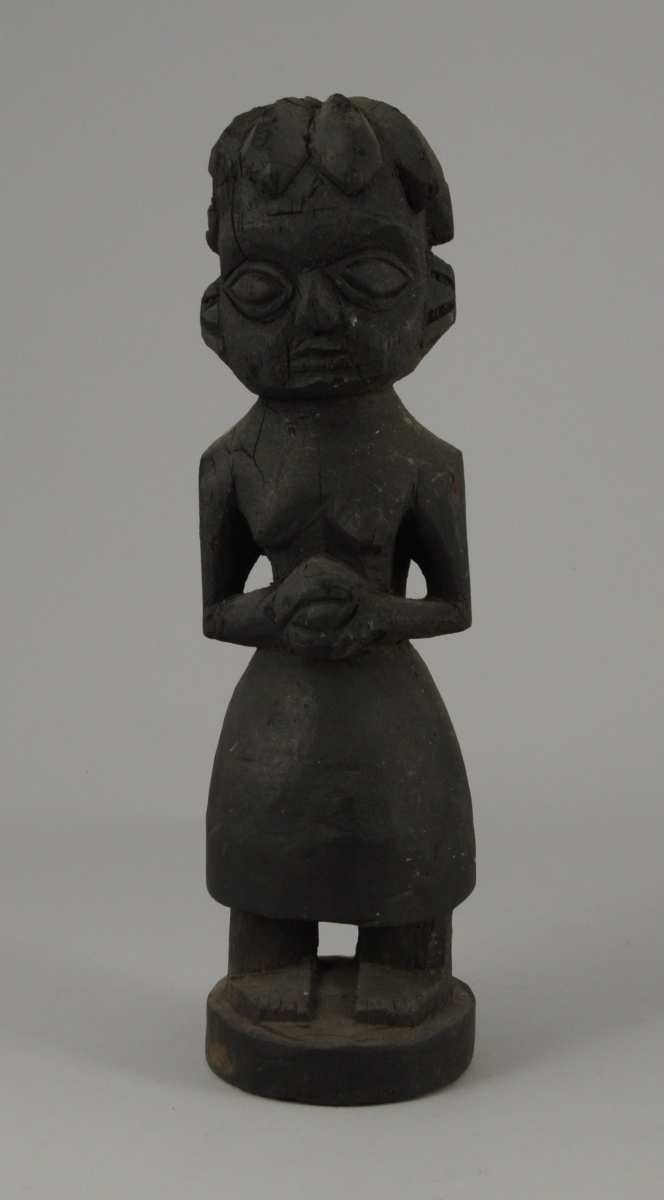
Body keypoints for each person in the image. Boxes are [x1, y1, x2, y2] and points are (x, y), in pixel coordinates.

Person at [199, 94, 475, 1026]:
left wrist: (375, 613)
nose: (318, 318)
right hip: (276, 717)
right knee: (265, 869)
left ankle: (407, 962)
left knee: (407, 850)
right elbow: (216, 611)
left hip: (391, 717)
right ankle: (269, 957)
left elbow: (453, 605)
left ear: (434, 302)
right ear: (216, 317)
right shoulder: (231, 464)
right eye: (264, 289)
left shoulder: (426, 464)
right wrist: (276, 612)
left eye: (367, 277)